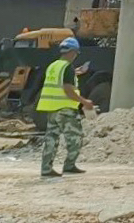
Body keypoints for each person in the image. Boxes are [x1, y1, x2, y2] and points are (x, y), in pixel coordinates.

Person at [37, 37, 95, 177]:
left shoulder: (54, 66)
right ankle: (69, 165)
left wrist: (76, 72)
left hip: (51, 108)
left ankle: (46, 168)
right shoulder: (67, 67)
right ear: (72, 52)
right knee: (75, 137)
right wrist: (84, 102)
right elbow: (68, 90)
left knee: (51, 138)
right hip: (65, 109)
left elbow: (59, 79)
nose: (75, 56)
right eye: (76, 53)